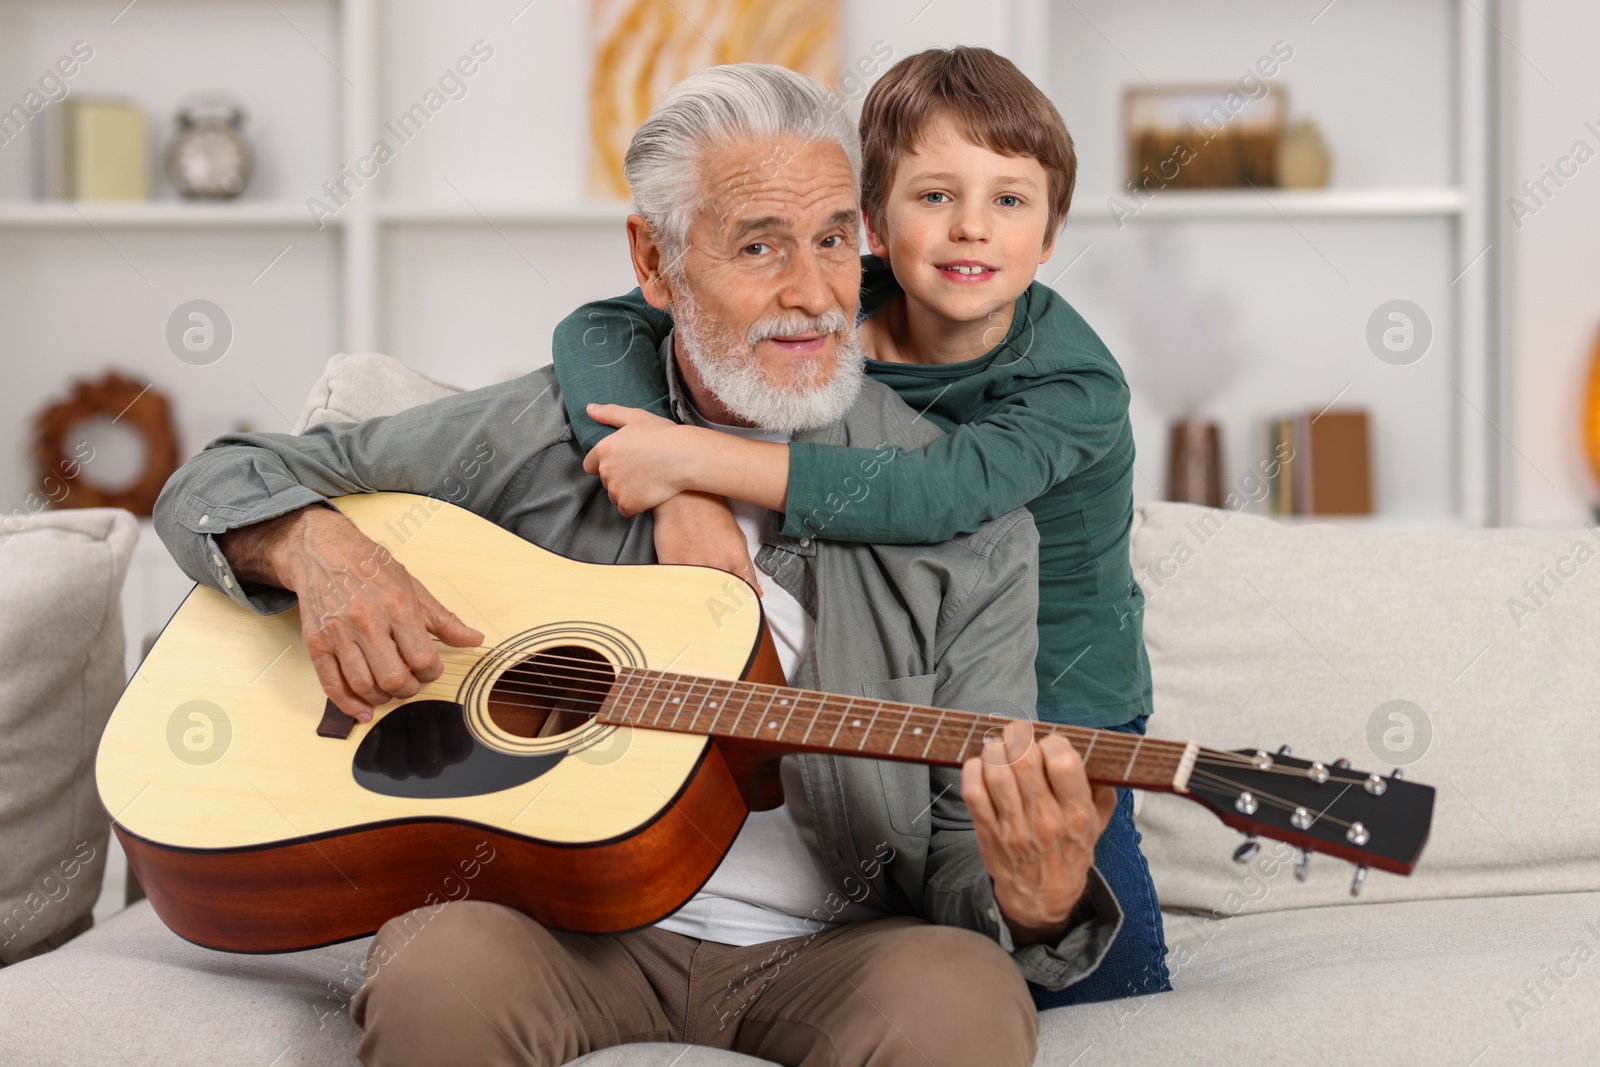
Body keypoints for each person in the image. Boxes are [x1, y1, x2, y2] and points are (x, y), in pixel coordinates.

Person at [152, 63, 1121, 1067]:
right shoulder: (536, 432)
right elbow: (220, 480)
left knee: (967, 996)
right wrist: (315, 545)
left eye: (835, 238)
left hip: (837, 948)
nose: (814, 293)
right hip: (560, 928)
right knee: (437, 971)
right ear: (654, 263)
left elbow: (966, 851)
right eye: (760, 245)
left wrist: (1031, 896)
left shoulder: (972, 530)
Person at [552, 46, 1168, 1007]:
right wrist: (678, 498)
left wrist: (691, 459)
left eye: (1010, 200)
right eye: (935, 197)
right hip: (904, 670)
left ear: (1052, 232)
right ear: (871, 223)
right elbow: (597, 330)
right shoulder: (831, 303)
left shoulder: (1075, 387)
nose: (972, 227)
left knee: (1086, 970)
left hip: (1059, 693)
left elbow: (938, 494)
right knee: (903, 899)